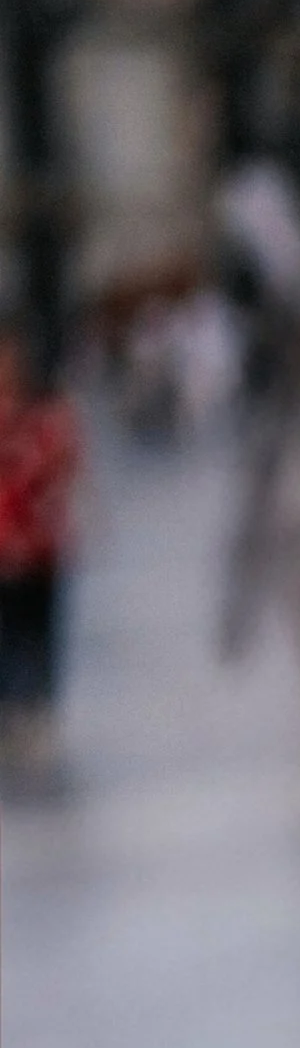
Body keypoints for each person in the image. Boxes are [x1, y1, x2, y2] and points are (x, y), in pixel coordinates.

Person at [0, 318, 79, 776]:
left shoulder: (48, 413)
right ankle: (12, 708)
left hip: (43, 543)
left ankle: (41, 705)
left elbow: (64, 461)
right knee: (9, 630)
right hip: (5, 542)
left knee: (42, 627)